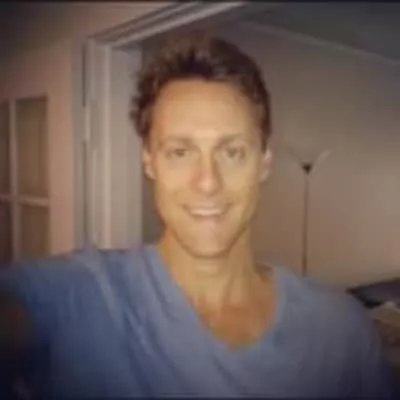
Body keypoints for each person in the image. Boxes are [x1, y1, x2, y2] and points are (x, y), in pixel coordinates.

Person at [0, 33, 397, 398]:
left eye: (232, 152)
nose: (207, 182)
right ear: (149, 162)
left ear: (263, 163)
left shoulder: (341, 331)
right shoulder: (78, 298)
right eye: (180, 151)